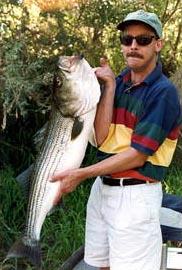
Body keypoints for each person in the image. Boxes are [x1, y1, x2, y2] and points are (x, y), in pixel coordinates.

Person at [50, 9, 181, 270]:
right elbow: (101, 138)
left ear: (158, 44)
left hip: (135, 196)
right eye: (127, 39)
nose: (133, 46)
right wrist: (109, 87)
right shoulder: (119, 80)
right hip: (102, 189)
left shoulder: (162, 93)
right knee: (101, 264)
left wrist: (81, 174)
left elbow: (137, 154)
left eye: (143, 40)